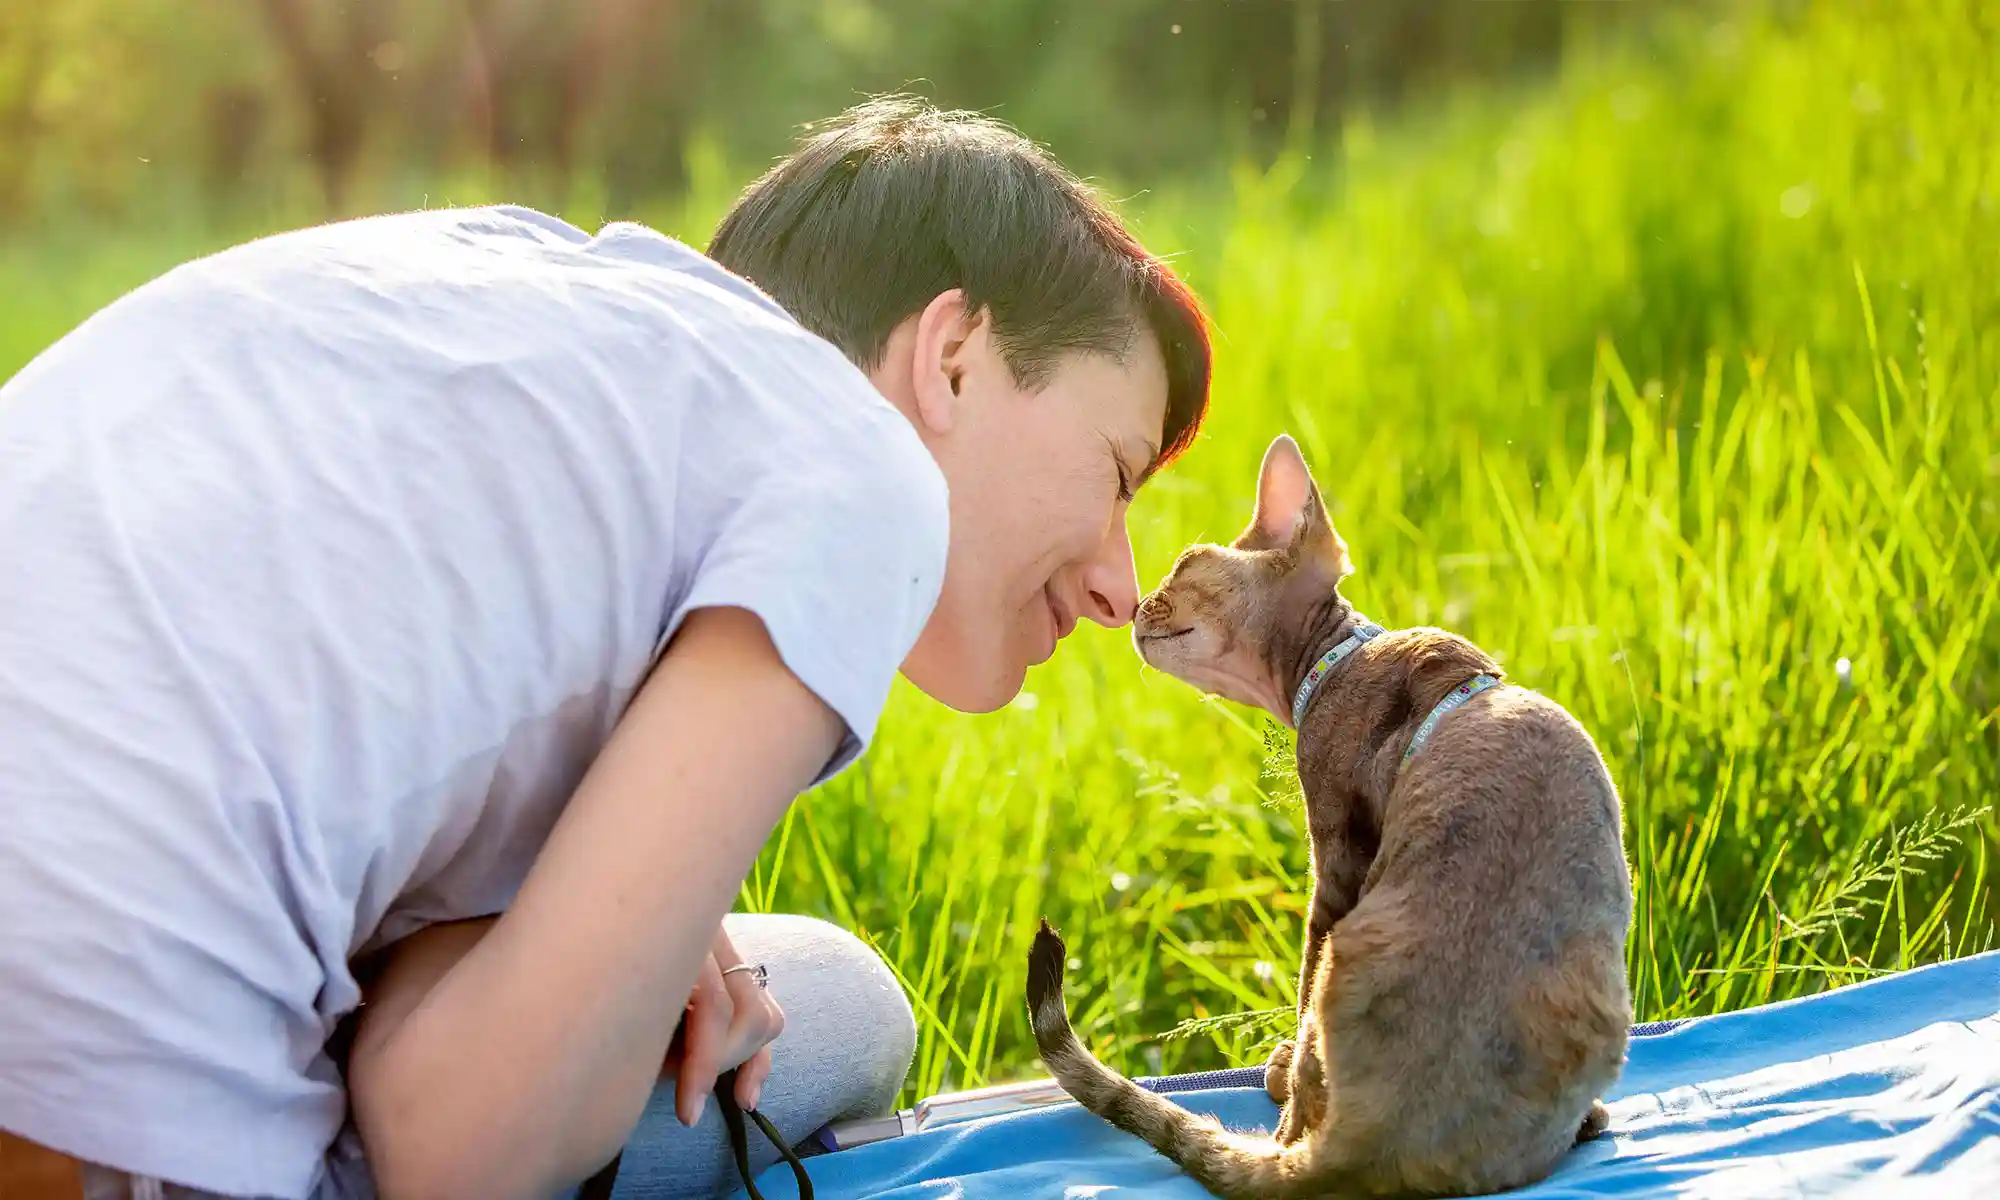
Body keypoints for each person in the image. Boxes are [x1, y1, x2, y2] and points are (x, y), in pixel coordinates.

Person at [0, 96, 1211, 1199]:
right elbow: (461, 1152)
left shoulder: (512, 283)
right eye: (1113, 473)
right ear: (951, 356)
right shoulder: (863, 464)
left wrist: (592, 925)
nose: (1118, 583)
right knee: (837, 1009)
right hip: (75, 1111)